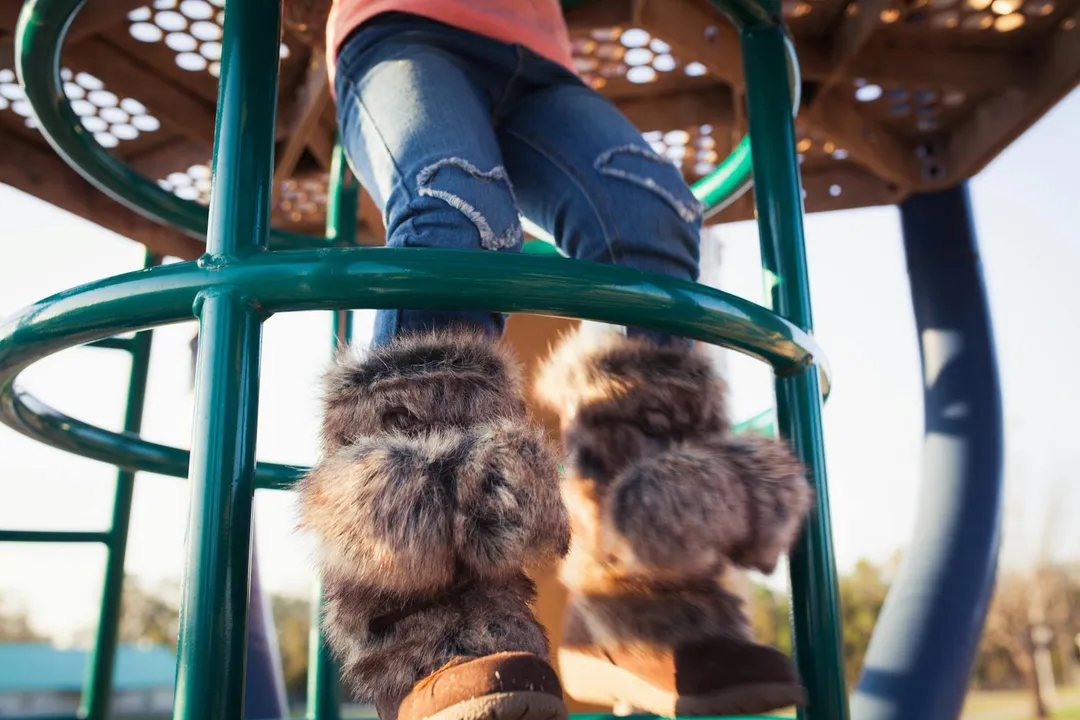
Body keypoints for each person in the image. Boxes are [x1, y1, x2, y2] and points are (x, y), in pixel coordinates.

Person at [296, 2, 814, 719]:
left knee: (653, 218)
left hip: (535, 54)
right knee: (455, 209)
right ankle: (429, 631)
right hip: (401, 24)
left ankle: (645, 604)